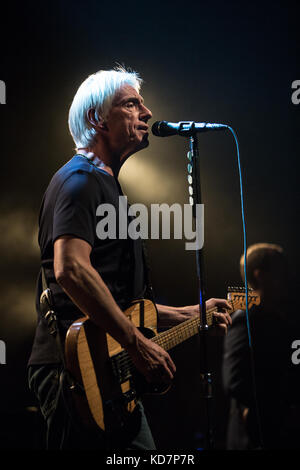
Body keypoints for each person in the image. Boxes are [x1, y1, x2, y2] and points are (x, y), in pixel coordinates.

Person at [27, 66, 232, 450]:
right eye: (131, 104)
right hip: (74, 370)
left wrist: (193, 313)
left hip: (101, 370)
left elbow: (123, 304)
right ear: (97, 119)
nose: (147, 112)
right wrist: (136, 344)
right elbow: (70, 269)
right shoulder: (81, 180)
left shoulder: (102, 183)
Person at [222, 243, 300, 449]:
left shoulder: (283, 319)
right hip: (255, 438)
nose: (287, 277)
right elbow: (235, 381)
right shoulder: (245, 320)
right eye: (280, 270)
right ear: (260, 275)